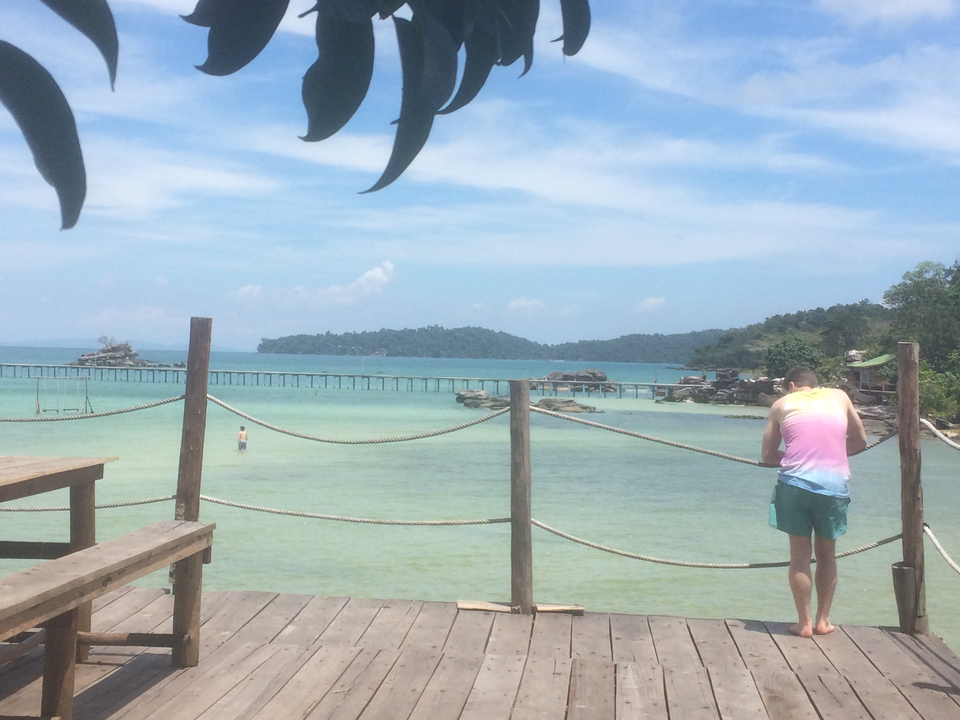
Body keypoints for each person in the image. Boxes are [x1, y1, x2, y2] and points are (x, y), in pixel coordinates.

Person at [761, 366, 867, 638]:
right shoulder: (840, 397)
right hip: (833, 486)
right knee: (827, 555)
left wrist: (796, 455)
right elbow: (860, 440)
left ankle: (803, 623)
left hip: (795, 485)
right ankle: (823, 621)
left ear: (792, 386)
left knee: (799, 558)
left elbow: (768, 455)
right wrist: (830, 454)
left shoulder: (782, 404)